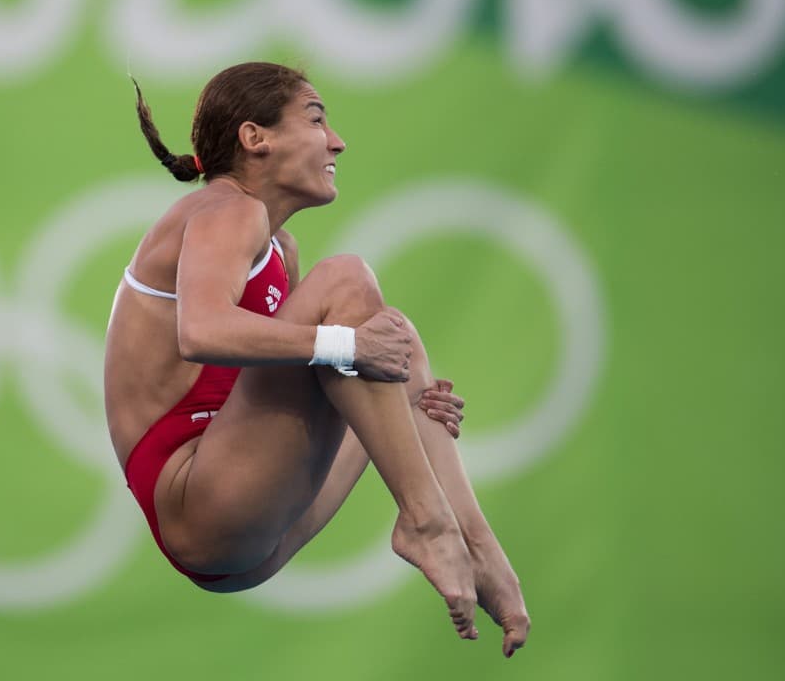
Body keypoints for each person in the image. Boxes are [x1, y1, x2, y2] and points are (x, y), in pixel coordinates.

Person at [103, 62, 529, 657]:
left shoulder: (280, 246)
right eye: (317, 118)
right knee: (350, 286)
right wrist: (352, 349)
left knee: (396, 340)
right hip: (199, 502)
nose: (337, 140)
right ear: (256, 138)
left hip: (251, 529)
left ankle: (475, 543)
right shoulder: (227, 209)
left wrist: (410, 399)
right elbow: (199, 330)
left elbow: (313, 370)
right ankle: (427, 521)